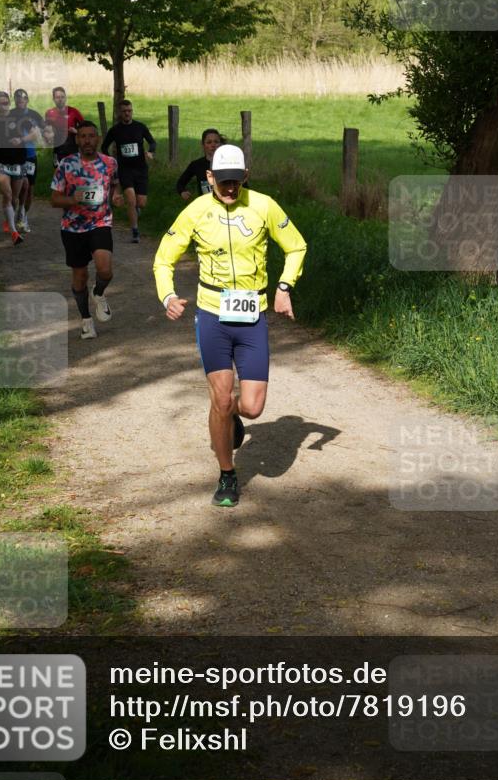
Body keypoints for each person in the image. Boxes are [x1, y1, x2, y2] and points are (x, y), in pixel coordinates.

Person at [154, 144, 307, 507]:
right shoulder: (195, 211)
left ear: (245, 177)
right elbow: (164, 259)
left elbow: (296, 246)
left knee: (251, 407)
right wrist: (168, 297)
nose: (229, 189)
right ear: (209, 178)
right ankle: (227, 474)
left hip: (252, 316)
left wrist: (284, 286)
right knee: (221, 399)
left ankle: (230, 416)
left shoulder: (263, 206)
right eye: (222, 182)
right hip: (212, 315)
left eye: (236, 182)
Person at [50, 120, 122, 340]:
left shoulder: (110, 163)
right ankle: (86, 320)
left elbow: (115, 184)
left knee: (105, 270)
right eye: (83, 136)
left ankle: (98, 293)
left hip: (100, 223)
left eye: (91, 136)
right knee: (80, 276)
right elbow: (54, 200)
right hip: (72, 228)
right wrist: (72, 199)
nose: (87, 140)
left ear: (98, 138)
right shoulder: (66, 165)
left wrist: (116, 196)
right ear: (77, 139)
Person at [0, 91, 35, 245]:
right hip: (1, 162)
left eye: (6, 102)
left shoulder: (20, 117)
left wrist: (21, 139)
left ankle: (9, 220)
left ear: (9, 102)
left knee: (15, 199)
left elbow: (34, 134)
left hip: (18, 162)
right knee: (8, 194)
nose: (4, 104)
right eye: (0, 102)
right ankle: (14, 232)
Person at [101, 99, 156, 242]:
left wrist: (150, 152)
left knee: (141, 202)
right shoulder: (115, 130)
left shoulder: (140, 127)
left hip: (141, 169)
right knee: (131, 200)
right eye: (124, 111)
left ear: (132, 111)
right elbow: (104, 147)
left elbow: (152, 142)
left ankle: (135, 212)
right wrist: (110, 161)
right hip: (125, 169)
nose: (127, 113)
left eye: (129, 111)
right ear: (119, 113)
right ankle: (135, 231)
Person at [10, 88, 43, 233]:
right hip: (15, 156)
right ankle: (12, 214)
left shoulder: (34, 115)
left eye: (23, 98)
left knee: (29, 189)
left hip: (30, 156)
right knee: (17, 189)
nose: (20, 101)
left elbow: (41, 132)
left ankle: (22, 215)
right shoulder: (9, 114)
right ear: (15, 100)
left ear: (27, 100)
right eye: (17, 98)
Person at [176, 128, 222, 200]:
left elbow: (243, 185)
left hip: (225, 205)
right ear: (203, 145)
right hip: (205, 206)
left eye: (216, 142)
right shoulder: (196, 165)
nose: (213, 145)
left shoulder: (229, 163)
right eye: (209, 142)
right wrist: (182, 192)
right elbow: (180, 183)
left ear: (220, 144)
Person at [45, 86, 84, 166]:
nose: (60, 99)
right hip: (57, 151)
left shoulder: (73, 111)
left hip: (72, 149)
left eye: (62, 97)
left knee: (74, 175)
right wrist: (48, 137)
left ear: (65, 98)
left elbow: (86, 128)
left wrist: (76, 131)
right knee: (59, 174)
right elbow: (46, 131)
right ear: (53, 99)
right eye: (57, 97)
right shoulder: (49, 113)